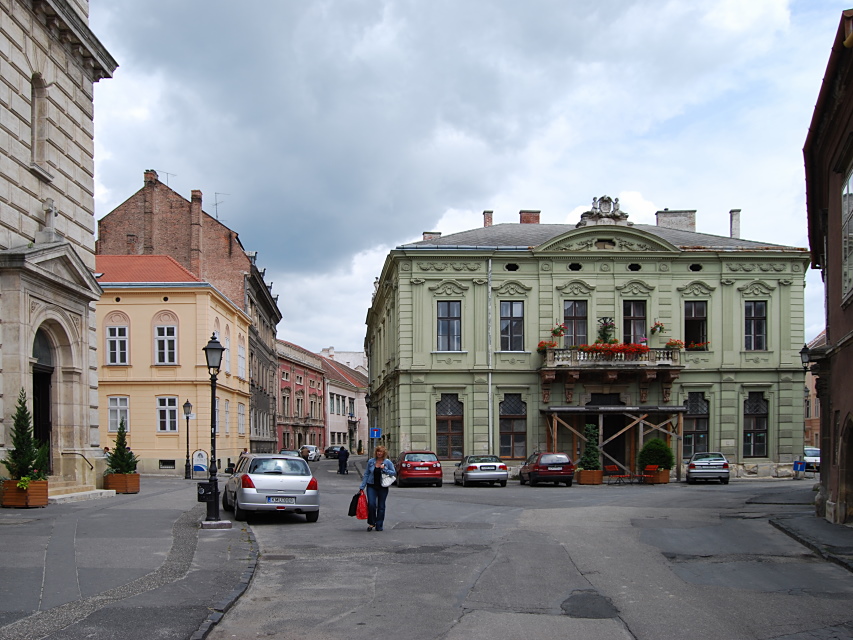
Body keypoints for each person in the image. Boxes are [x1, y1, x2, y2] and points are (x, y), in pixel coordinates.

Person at [359, 445, 396, 532]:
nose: (379, 453)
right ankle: (372, 523)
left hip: (382, 487)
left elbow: (393, 472)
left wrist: (385, 469)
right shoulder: (371, 461)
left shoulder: (387, 462)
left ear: (384, 453)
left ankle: (379, 524)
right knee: (371, 504)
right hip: (371, 485)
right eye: (378, 451)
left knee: (381, 506)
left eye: (381, 452)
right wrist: (362, 486)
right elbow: (367, 474)